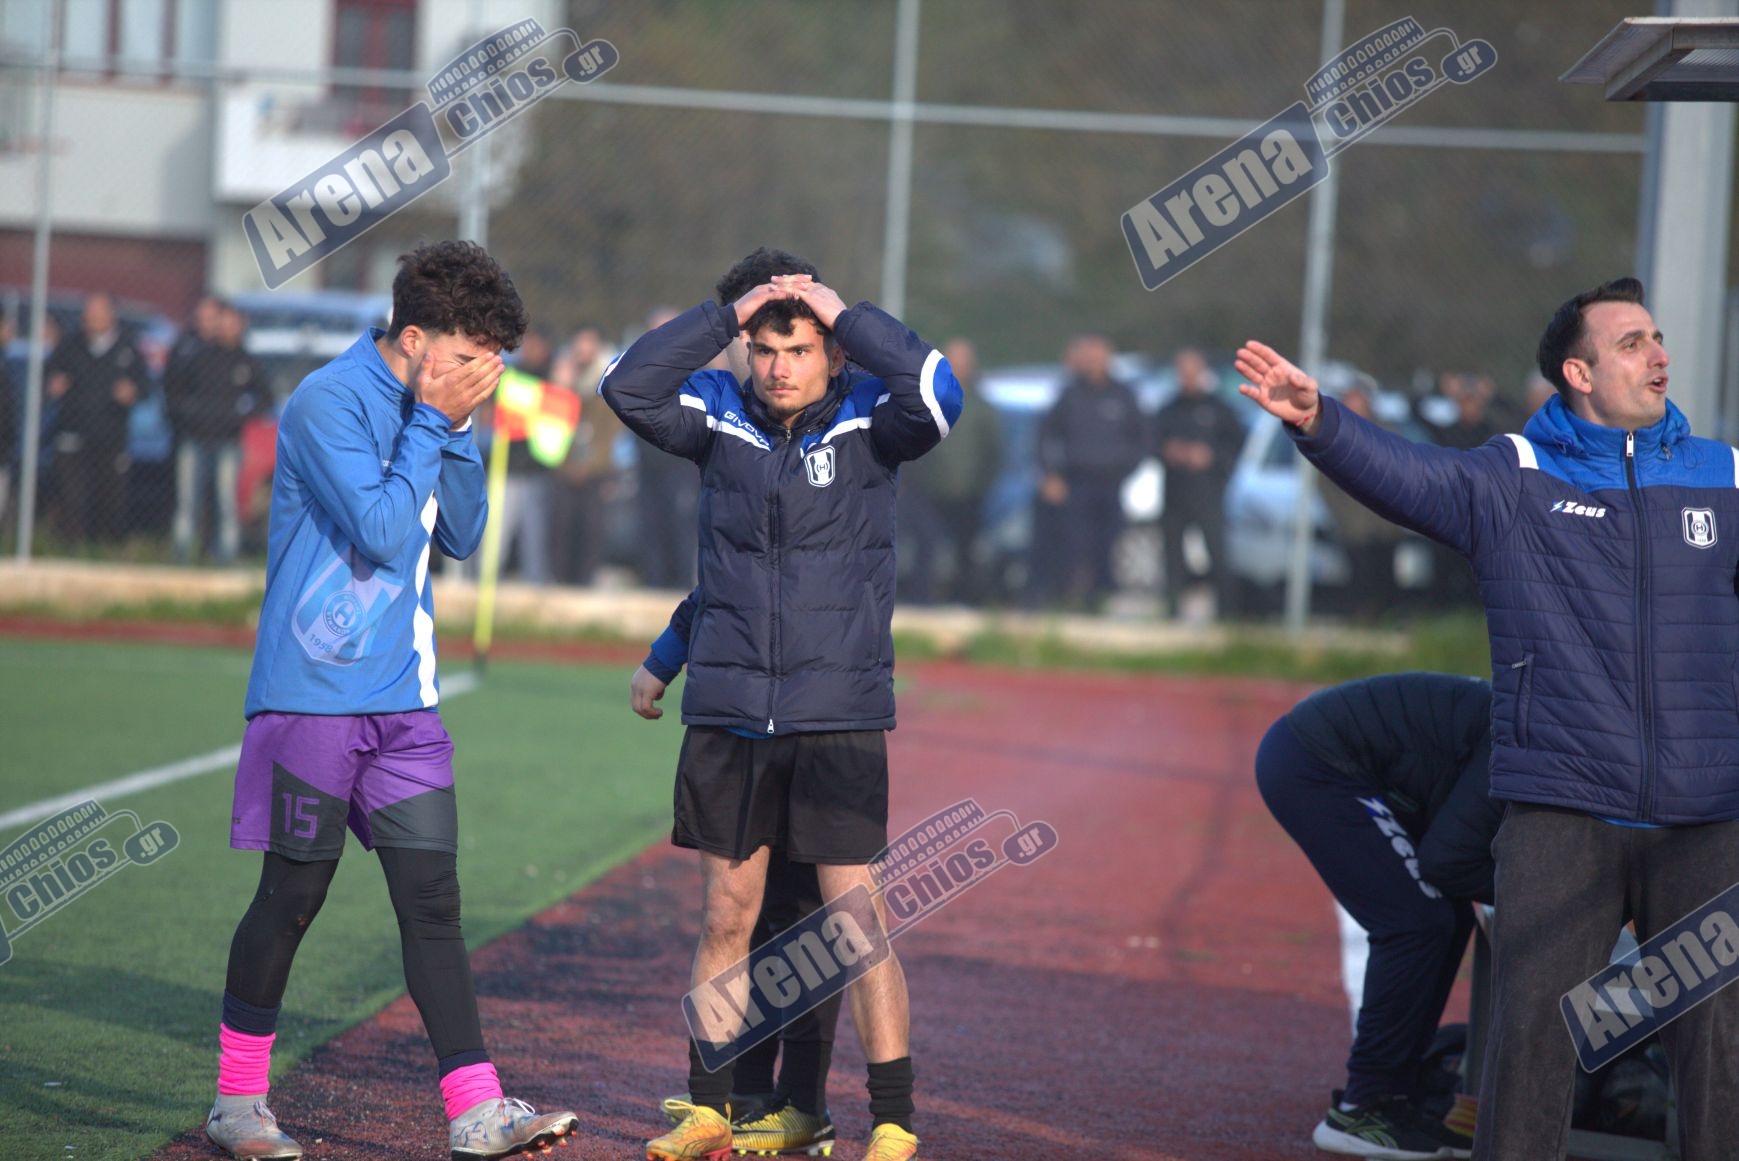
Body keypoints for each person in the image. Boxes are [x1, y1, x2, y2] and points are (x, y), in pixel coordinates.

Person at [1236, 276, 1739, 1161]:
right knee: (1529, 1047)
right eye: (1631, 343)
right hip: (1560, 808)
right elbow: (1408, 476)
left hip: (1703, 814)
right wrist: (1319, 422)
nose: (1658, 355)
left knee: (1716, 1050)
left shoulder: (1722, 475)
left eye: (1656, 338)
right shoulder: (1515, 476)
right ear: (1577, 373)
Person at [205, 241, 577, 1161]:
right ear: (414, 339)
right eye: (468, 356)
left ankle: (476, 1111)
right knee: (293, 894)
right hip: (312, 698)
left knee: (433, 901)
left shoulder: (443, 407)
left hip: (405, 703)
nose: (482, 374)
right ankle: (237, 1104)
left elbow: (463, 531)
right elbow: (377, 529)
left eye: (493, 359)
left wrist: (455, 426)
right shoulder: (326, 401)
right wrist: (432, 423)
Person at [600, 245, 962, 1161]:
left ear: (830, 351)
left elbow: (938, 390)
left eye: (798, 348)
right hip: (728, 715)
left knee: (853, 923)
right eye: (763, 348)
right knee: (728, 916)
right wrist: (730, 311)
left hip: (837, 716)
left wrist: (845, 315)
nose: (778, 367)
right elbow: (626, 386)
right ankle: (708, 1108)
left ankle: (892, 1119)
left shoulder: (873, 420)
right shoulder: (716, 417)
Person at [632, 588, 843, 1157]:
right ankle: (744, 1091)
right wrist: (668, 651)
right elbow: (727, 575)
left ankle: (804, 1102)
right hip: (737, 718)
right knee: (739, 917)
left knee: (804, 918)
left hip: (822, 717)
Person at [1256, 672, 1499, 1159]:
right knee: (1416, 922)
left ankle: (1396, 1095)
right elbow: (1446, 861)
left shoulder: (1538, 734)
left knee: (1447, 920)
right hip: (1318, 763)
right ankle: (1362, 1108)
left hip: (1344, 761)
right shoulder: (1519, 742)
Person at [1034, 335, 1145, 608]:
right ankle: (1073, 599)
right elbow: (1045, 436)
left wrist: (1127, 467)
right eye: (1089, 357)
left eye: (1099, 357)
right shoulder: (1070, 394)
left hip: (1111, 482)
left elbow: (1142, 438)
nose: (1094, 363)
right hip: (1077, 482)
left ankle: (1102, 599)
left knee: (1108, 542)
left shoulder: (1124, 395)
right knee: (1075, 544)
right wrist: (1051, 473)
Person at [899, 337, 1000, 605]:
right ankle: (920, 598)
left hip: (969, 494)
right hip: (928, 491)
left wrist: (982, 485)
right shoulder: (925, 399)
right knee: (925, 545)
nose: (959, 366)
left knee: (966, 548)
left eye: (963, 360)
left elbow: (994, 451)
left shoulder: (981, 406)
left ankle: (965, 598)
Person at [1150, 348, 1245, 619]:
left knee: (1217, 553)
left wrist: (1209, 456)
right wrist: (1170, 452)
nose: (1188, 377)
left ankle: (1227, 614)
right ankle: (1172, 611)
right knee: (1172, 554)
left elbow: (1236, 445)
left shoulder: (1219, 409)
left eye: (1193, 371)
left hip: (1208, 493)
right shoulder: (1168, 409)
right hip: (1174, 492)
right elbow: (1150, 443)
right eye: (1183, 372)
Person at [44, 292, 143, 545]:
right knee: (72, 497)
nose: (92, 318)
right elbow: (47, 378)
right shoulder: (70, 345)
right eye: (89, 313)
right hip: (72, 432)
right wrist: (52, 386)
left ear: (111, 316)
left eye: (98, 313)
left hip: (110, 437)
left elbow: (145, 386)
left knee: (109, 499)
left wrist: (132, 392)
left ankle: (106, 549)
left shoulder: (128, 348)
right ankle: (72, 548)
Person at [168, 301, 262, 564]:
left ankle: (226, 556)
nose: (226, 328)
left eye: (232, 323)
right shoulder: (197, 356)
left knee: (226, 500)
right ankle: (182, 555)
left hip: (228, 440)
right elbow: (175, 391)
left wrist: (239, 415)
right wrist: (190, 413)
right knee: (187, 500)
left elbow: (264, 397)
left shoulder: (246, 361)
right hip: (194, 438)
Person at [1320, 378, 1405, 621]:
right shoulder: (1334, 434)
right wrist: (1341, 514)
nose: (1355, 405)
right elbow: (1324, 481)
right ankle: (1361, 619)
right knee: (1358, 576)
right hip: (1354, 523)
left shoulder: (1387, 432)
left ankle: (1389, 618)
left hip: (1384, 521)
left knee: (1386, 574)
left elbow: (1403, 470)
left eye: (1359, 400)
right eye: (1350, 400)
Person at [633, 306, 701, 590]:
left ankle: (682, 586)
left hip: (681, 466)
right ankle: (653, 583)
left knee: (682, 526)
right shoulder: (637, 369)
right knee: (651, 525)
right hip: (648, 464)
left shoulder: (694, 369)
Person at [549, 325, 621, 585]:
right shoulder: (561, 381)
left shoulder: (608, 383)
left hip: (596, 470)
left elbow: (608, 431)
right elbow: (551, 427)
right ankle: (560, 580)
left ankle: (586, 580)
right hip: (564, 469)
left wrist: (589, 465)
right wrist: (561, 390)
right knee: (561, 527)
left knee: (592, 529)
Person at [497, 326, 556, 584]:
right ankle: (485, 577)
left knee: (536, 535)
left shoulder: (553, 379)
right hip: (507, 467)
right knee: (497, 533)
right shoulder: (510, 376)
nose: (528, 350)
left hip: (538, 470)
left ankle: (535, 582)